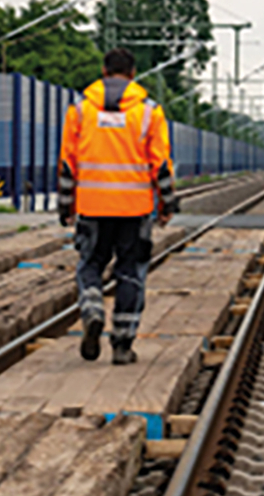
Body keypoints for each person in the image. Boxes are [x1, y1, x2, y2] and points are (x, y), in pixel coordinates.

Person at [58, 48, 176, 365]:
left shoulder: (80, 110)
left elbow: (68, 164)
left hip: (92, 206)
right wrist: (167, 202)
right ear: (133, 74)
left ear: (104, 71)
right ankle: (122, 345)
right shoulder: (149, 112)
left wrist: (66, 205)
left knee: (90, 264)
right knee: (130, 273)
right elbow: (161, 165)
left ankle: (93, 308)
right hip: (134, 209)